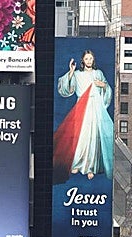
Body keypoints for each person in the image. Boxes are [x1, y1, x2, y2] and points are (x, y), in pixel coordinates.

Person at [53, 50, 114, 181]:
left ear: (93, 60)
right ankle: (78, 163)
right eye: (86, 59)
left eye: (91, 59)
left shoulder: (98, 73)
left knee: (93, 136)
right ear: (82, 61)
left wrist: (103, 85)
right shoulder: (77, 74)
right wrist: (70, 71)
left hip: (95, 108)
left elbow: (107, 89)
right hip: (81, 107)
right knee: (80, 135)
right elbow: (66, 88)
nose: (89, 61)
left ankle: (91, 167)